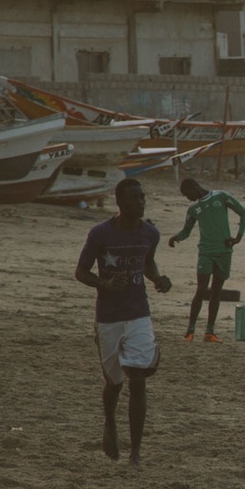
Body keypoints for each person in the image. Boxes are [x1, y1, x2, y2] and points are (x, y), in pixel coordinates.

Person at [75, 178, 172, 467]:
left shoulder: (150, 233)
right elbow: (81, 272)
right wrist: (104, 283)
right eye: (135, 198)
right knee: (114, 382)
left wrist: (158, 279)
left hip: (139, 312)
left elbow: (147, 262)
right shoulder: (101, 234)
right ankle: (110, 424)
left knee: (138, 378)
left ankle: (136, 452)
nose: (141, 202)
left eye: (143, 197)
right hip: (108, 317)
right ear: (120, 202)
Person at [168, 178, 245, 342]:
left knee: (216, 291)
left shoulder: (221, 196)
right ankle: (190, 330)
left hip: (224, 252)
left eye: (187, 194)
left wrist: (238, 238)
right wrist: (176, 238)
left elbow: (244, 213)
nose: (187, 198)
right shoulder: (194, 209)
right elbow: (186, 231)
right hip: (205, 252)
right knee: (201, 289)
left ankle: (209, 331)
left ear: (195, 187)